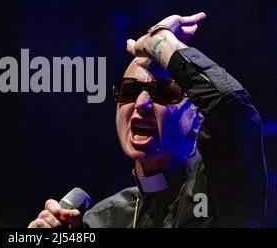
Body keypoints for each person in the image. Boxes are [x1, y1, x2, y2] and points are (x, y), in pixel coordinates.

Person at [28, 12, 267, 228]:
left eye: (163, 92)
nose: (141, 104)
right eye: (130, 90)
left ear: (197, 120)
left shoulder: (222, 191)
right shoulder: (101, 220)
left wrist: (160, 41)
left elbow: (230, 108)